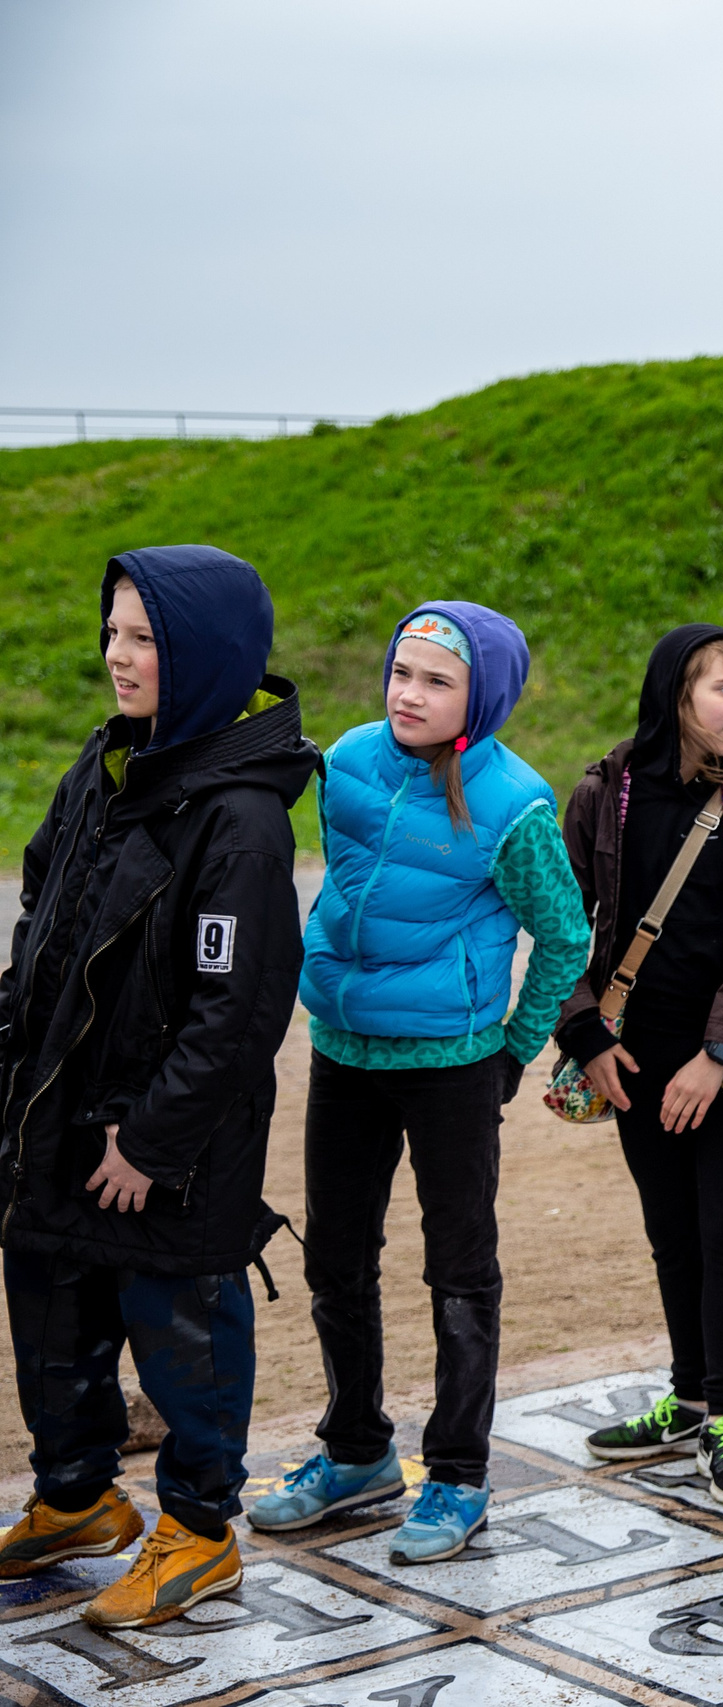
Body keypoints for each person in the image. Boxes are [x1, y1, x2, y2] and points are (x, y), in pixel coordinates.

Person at [0, 547, 318, 1629]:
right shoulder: (103, 764)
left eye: (144, 639)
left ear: (205, 656)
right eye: (112, 633)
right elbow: (40, 927)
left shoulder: (240, 817)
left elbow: (237, 1014)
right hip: (55, 1122)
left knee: (180, 1336)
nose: (117, 657)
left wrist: (152, 1142)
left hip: (162, 1150)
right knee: (52, 1322)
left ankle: (198, 1532)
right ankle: (79, 1501)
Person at [248, 603, 588, 1564]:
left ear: (481, 698)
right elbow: (345, 885)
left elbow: (564, 934)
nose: (409, 693)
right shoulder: (348, 762)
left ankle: (458, 1474)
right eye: (401, 671)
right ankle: (356, 1451)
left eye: (437, 681)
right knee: (335, 1260)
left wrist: (514, 1049)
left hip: (453, 1065)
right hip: (344, 1050)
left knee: (459, 1271)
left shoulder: (514, 802)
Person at [556, 626, 723, 1505]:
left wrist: (718, 1052)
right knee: (671, 1229)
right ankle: (688, 1400)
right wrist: (585, 1035)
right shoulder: (603, 792)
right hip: (631, 1054)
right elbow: (558, 922)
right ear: (674, 693)